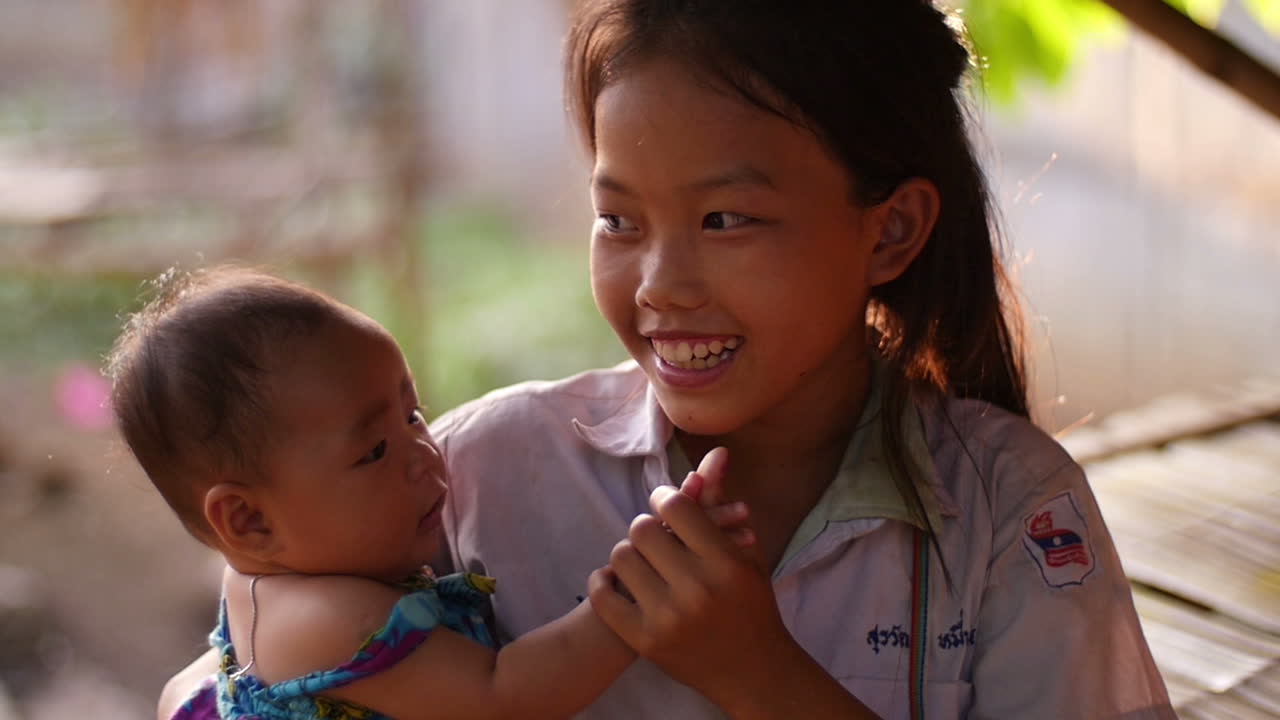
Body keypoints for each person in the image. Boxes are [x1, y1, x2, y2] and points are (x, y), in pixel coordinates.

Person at [435, 1, 1176, 718]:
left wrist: (763, 678)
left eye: (724, 220)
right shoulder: (474, 478)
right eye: (618, 221)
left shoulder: (1009, 507)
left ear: (891, 232)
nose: (660, 286)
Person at [108, 266, 752, 720]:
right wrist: (641, 592)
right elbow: (504, 696)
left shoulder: (265, 589)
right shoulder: (331, 621)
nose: (423, 453)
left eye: (412, 415)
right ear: (247, 521)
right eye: (374, 451)